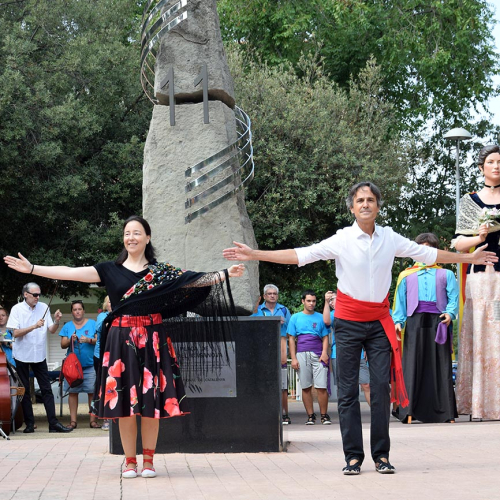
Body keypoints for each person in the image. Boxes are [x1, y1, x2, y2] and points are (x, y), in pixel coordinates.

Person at [223, 181, 497, 475]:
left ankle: (381, 455)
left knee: (380, 388)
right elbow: (299, 254)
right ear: (352, 207)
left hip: (380, 321)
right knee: (349, 392)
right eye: (360, 200)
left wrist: (469, 258)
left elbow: (429, 255)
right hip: (349, 321)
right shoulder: (342, 239)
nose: (365, 204)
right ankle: (353, 456)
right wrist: (255, 254)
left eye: (370, 199)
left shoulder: (390, 238)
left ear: (378, 206)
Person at [4, 215, 244, 478]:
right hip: (121, 340)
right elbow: (70, 272)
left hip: (153, 339)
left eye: (137, 233)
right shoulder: (109, 269)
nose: (131, 237)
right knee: (125, 403)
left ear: (148, 238)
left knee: (151, 403)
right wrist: (32, 268)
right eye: (127, 233)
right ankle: (130, 461)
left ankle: (149, 461)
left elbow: (193, 280)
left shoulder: (161, 272)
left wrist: (223, 275)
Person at [453, 144, 500, 421]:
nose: (497, 165)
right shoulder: (470, 201)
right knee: (482, 334)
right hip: (481, 279)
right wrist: (479, 238)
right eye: (491, 161)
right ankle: (481, 404)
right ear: (482, 167)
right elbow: (459, 244)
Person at [392, 233, 458, 423]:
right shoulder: (405, 275)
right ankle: (410, 410)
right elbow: (400, 304)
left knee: (442, 364)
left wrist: (450, 314)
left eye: (429, 248)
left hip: (439, 321)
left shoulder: (447, 274)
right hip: (414, 323)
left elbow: (453, 299)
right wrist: (398, 322)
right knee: (412, 364)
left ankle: (445, 412)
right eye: (420, 249)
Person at [6, 283, 73, 433]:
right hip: (22, 354)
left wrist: (56, 321)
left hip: (39, 354)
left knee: (46, 389)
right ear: (26, 294)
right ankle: (29, 424)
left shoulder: (44, 307)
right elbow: (14, 333)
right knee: (24, 391)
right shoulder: (16, 309)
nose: (38, 297)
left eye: (39, 294)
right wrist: (33, 326)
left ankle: (53, 423)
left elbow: (51, 330)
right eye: (35, 294)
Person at [288, 290, 331, 425]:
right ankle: (310, 416)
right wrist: (293, 358)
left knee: (321, 386)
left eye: (313, 301)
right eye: (308, 301)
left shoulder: (320, 317)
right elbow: (291, 338)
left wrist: (325, 352)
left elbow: (325, 337)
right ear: (303, 301)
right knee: (305, 386)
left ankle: (324, 415)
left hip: (318, 354)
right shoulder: (295, 317)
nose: (311, 303)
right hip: (301, 353)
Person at [252, 284, 292, 424]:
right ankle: (266, 413)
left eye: (275, 293)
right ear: (264, 296)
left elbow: (290, 331)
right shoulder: (258, 310)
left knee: (282, 384)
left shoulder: (284, 310)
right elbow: (253, 327)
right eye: (269, 293)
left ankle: (284, 414)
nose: (272, 296)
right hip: (264, 349)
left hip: (280, 348)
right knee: (265, 382)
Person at [323, 292, 370, 406]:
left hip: (359, 353)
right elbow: (326, 321)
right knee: (344, 386)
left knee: (366, 384)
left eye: (333, 299)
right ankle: (346, 413)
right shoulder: (333, 314)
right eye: (330, 301)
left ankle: (376, 412)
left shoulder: (354, 312)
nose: (332, 302)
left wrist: (367, 349)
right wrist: (325, 302)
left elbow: (365, 331)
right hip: (339, 354)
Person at [59, 300, 99, 429]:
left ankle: (93, 421)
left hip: (90, 365)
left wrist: (89, 340)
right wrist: (71, 338)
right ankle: (73, 422)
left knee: (92, 392)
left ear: (83, 311)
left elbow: (99, 341)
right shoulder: (68, 326)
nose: (77, 311)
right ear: (72, 312)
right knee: (73, 393)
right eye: (75, 309)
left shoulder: (93, 324)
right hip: (73, 368)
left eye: (79, 309)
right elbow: (62, 344)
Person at [95, 295, 112, 430]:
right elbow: (101, 327)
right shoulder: (102, 316)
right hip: (103, 356)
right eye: (109, 302)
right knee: (104, 385)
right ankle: (106, 419)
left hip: (118, 354)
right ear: (106, 304)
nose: (111, 304)